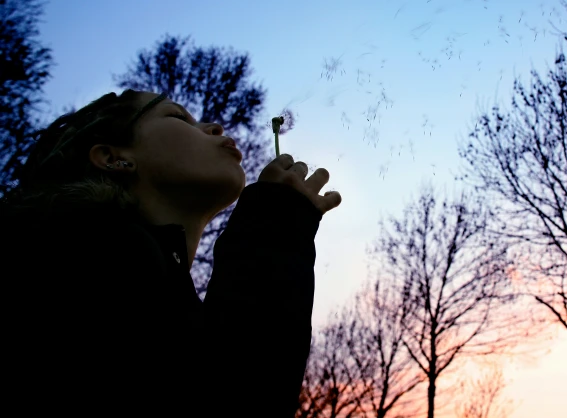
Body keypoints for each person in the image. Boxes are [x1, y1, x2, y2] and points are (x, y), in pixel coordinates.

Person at [2, 89, 341, 415]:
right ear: (113, 157)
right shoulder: (71, 254)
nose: (215, 127)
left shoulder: (139, 274)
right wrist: (274, 223)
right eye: (178, 116)